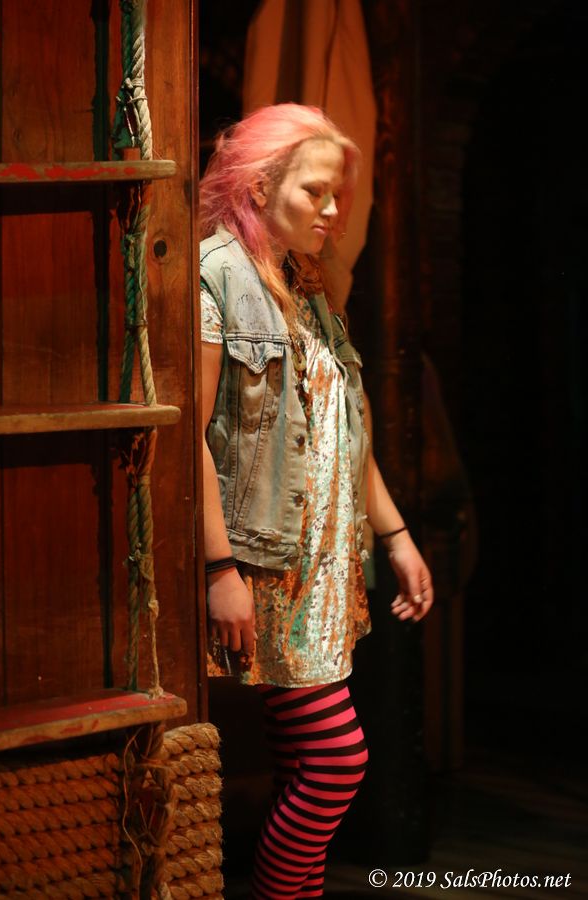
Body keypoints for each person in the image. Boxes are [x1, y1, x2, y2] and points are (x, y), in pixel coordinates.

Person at [199, 103, 433, 900]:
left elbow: (343, 432)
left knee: (304, 761)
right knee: (337, 761)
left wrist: (396, 536)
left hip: (325, 569)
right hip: (266, 567)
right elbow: (190, 438)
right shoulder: (217, 274)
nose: (332, 211)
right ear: (261, 186)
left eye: (339, 196)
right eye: (315, 192)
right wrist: (218, 567)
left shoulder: (310, 288)